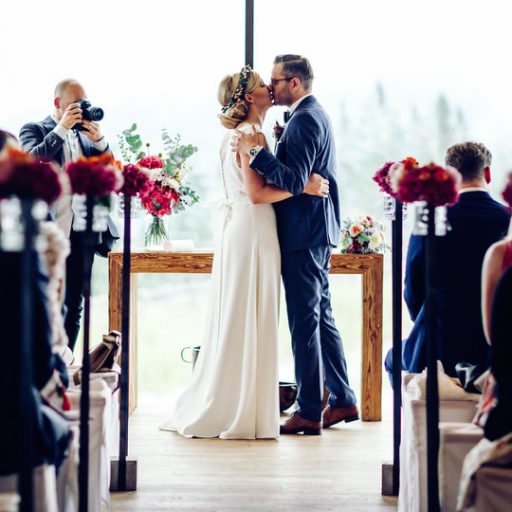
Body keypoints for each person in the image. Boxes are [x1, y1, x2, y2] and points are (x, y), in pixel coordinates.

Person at [161, 66, 329, 439]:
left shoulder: (237, 136)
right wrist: (305, 187)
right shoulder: (251, 135)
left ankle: (237, 397)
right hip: (254, 229)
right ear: (250, 98)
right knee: (252, 313)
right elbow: (256, 194)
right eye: (262, 85)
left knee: (241, 313)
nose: (270, 88)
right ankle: (242, 407)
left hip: (242, 229)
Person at [234, 55, 358, 435]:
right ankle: (342, 399)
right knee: (321, 317)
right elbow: (300, 177)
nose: (271, 87)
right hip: (313, 230)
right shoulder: (311, 114)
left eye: (276, 80)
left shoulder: (304, 118)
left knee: (304, 321)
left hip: (304, 233)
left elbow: (293, 179)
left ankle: (308, 410)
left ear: (296, 84)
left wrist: (258, 154)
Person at [385, 142, 511, 382]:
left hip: (437, 348)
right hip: (494, 352)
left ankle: (414, 417)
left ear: (449, 176)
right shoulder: (508, 219)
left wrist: (426, 319)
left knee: (393, 358)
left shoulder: (430, 218)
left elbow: (413, 289)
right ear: (487, 173)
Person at [19, 79, 119, 351]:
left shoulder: (86, 136)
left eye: (85, 103)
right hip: (48, 231)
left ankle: (66, 365)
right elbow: (30, 161)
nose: (82, 110)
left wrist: (99, 142)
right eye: (76, 104)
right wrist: (61, 128)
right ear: (58, 103)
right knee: (44, 299)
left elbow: (109, 170)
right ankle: (44, 367)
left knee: (74, 304)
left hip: (84, 230)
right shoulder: (35, 129)